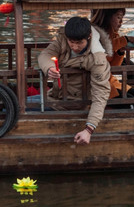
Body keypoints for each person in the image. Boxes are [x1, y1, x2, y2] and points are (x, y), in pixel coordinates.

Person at [38, 16, 111, 145]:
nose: (75, 46)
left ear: (89, 36)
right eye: (71, 42)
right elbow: (45, 55)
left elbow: (100, 94)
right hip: (54, 97)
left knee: (17, 108)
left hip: (71, 104)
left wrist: (89, 129)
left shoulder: (98, 60)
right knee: (14, 104)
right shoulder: (63, 40)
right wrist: (48, 68)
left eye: (79, 43)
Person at [91, 8, 134, 99]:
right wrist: (124, 40)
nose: (121, 22)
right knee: (132, 101)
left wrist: (120, 51)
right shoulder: (94, 33)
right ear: (108, 17)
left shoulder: (115, 36)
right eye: (118, 17)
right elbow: (104, 49)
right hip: (98, 81)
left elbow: (114, 67)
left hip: (110, 79)